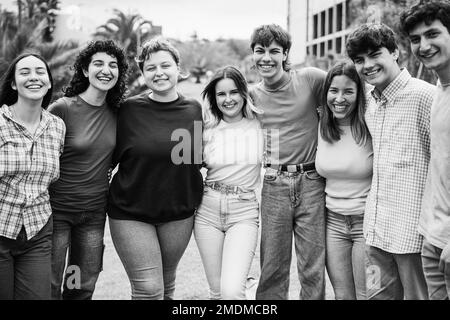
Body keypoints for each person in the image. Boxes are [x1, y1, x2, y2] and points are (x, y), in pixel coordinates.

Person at [107, 37, 203, 300]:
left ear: (177, 68)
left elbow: (194, 160)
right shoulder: (127, 110)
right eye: (150, 68)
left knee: (166, 284)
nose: (159, 73)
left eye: (165, 65)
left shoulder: (194, 110)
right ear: (143, 73)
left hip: (178, 213)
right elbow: (105, 155)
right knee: (148, 289)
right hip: (131, 212)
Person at [346, 22, 435, 300]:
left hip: (413, 238)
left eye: (375, 55)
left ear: (396, 52)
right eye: (359, 60)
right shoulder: (370, 103)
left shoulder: (425, 96)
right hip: (375, 233)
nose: (367, 65)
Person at [249, 24, 327, 300]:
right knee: (272, 266)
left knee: (312, 266)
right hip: (274, 184)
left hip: (312, 182)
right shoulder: (252, 96)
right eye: (260, 51)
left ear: (285, 54)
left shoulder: (310, 79)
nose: (266, 58)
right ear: (253, 54)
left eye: (274, 51)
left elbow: (346, 89)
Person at [47, 40, 128, 300]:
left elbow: (116, 152)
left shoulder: (118, 113)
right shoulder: (62, 109)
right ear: (85, 70)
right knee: (49, 284)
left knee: (81, 285)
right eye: (99, 64)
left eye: (113, 65)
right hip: (56, 213)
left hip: (93, 214)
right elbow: (43, 158)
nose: (106, 70)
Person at [0, 53, 66, 299]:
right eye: (25, 72)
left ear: (49, 82)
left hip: (37, 231)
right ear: (14, 83)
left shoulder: (57, 126)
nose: (34, 77)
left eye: (40, 72)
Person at [195, 65, 264, 299]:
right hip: (207, 211)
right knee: (216, 292)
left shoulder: (260, 124)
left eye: (234, 92)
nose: (228, 99)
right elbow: (186, 166)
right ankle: (249, 286)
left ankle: (249, 287)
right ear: (214, 98)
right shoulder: (205, 127)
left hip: (243, 210)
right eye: (221, 94)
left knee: (232, 291)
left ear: (244, 92)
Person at [400, 0, 450, 300]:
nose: (423, 45)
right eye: (416, 39)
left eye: (433, 34)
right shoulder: (438, 91)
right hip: (433, 239)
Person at [315, 60, 373, 300]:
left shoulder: (371, 124)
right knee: (342, 295)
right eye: (334, 90)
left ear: (359, 93)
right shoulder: (320, 125)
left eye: (348, 91)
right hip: (333, 225)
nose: (339, 98)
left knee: (369, 293)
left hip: (367, 227)